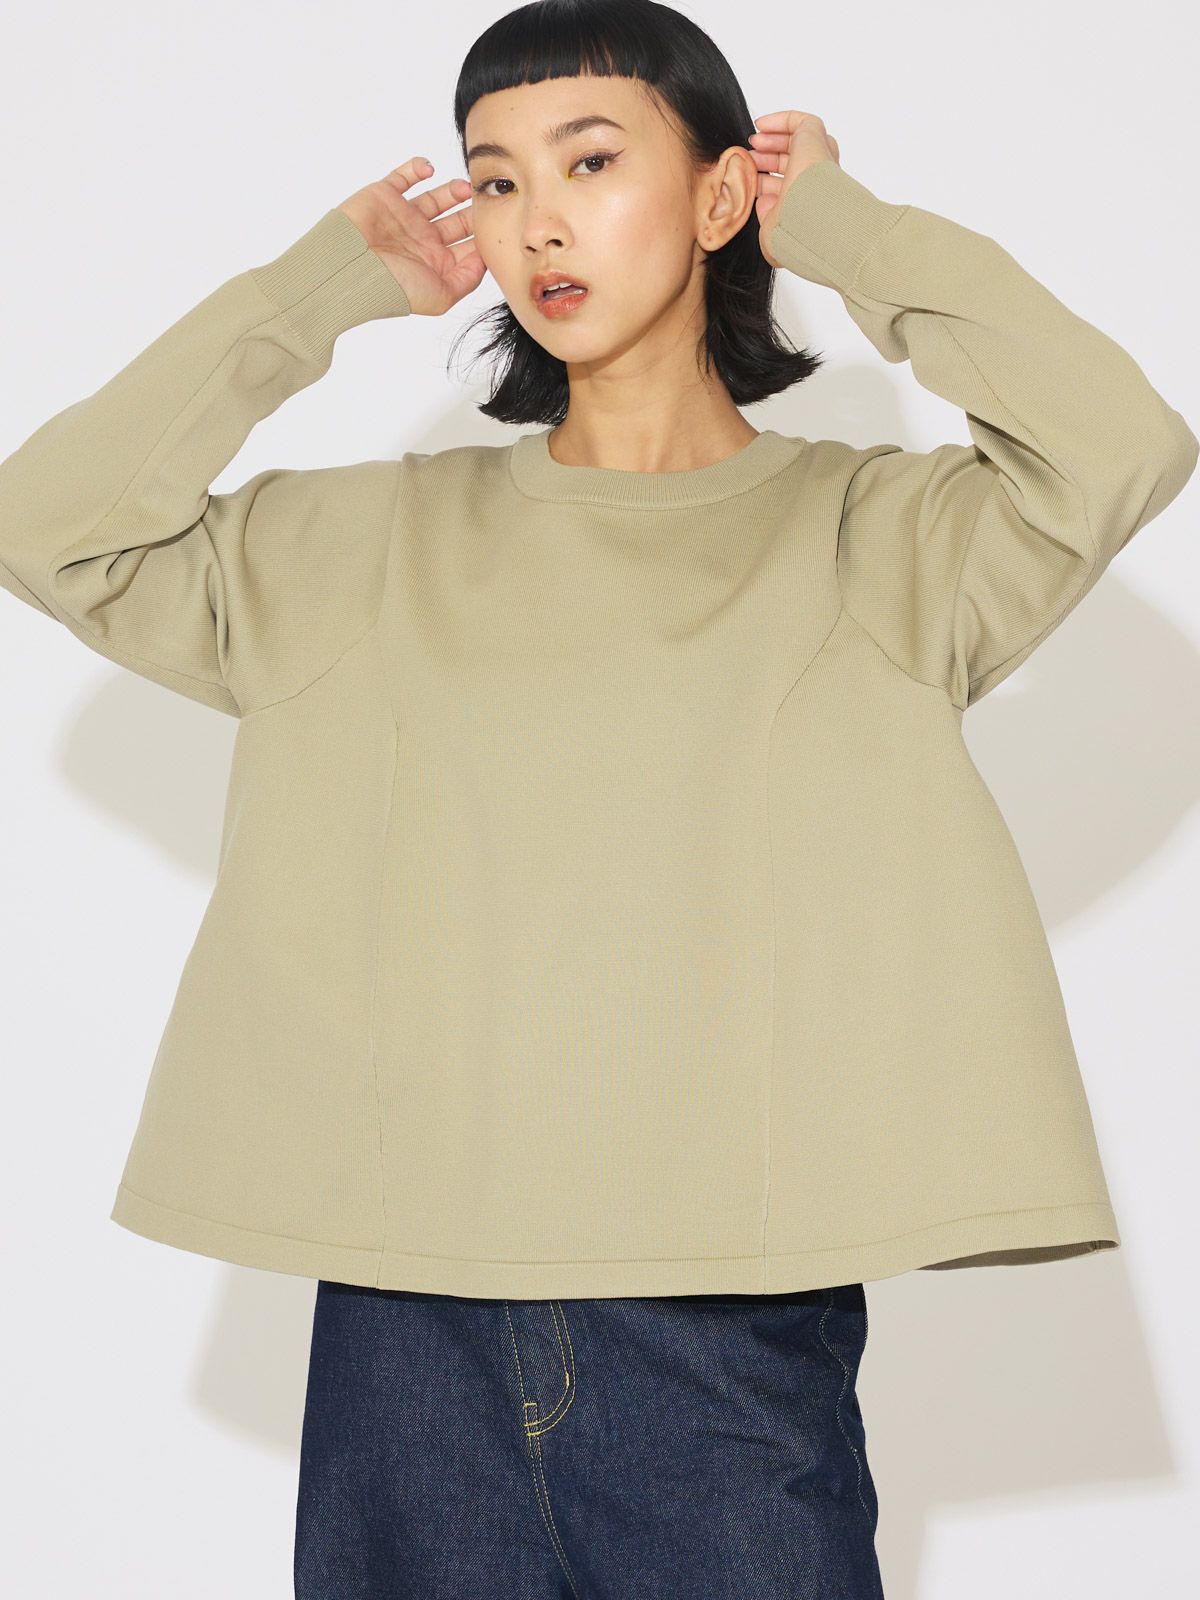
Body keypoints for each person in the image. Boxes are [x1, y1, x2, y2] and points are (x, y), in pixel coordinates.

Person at [1, 2, 1195, 1596]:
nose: (535, 221)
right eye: (495, 179)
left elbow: (1120, 442)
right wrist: (316, 293)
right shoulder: (360, 548)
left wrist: (843, 228)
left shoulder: (881, 544)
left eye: (589, 161)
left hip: (722, 1331)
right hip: (407, 1328)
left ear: (718, 196)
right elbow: (49, 525)